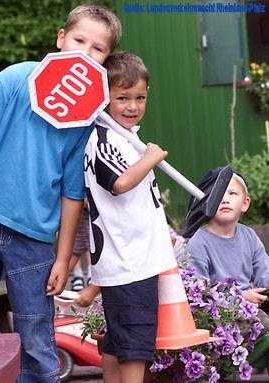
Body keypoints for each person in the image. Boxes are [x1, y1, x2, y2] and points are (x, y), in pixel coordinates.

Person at [0, 4, 121, 383]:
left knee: (36, 332)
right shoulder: (13, 79)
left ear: (105, 61)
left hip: (36, 239)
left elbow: (73, 192)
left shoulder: (86, 116)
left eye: (97, 48)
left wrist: (62, 256)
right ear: (60, 37)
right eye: (78, 40)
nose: (85, 52)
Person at [81, 51, 176, 383]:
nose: (132, 106)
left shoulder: (126, 138)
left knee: (119, 341)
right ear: (103, 98)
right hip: (128, 262)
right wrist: (149, 159)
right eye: (122, 98)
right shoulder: (103, 139)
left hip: (136, 260)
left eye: (140, 97)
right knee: (135, 345)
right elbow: (119, 183)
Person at [187, 168, 269, 328]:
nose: (224, 199)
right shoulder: (199, 242)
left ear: (245, 204)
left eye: (232, 193)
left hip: (251, 308)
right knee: (264, 324)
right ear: (206, 203)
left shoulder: (249, 236)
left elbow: (264, 270)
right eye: (218, 194)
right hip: (219, 318)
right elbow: (199, 294)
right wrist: (241, 298)